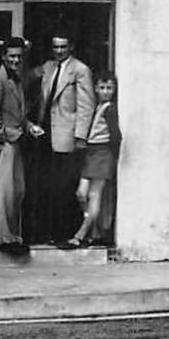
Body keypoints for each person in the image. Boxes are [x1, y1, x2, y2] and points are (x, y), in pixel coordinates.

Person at [0, 37, 43, 256]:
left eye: (19, 57)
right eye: (12, 56)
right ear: (4, 57)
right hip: (3, 143)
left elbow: (16, 114)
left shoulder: (16, 80)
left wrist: (30, 127)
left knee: (16, 189)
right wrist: (5, 136)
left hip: (14, 139)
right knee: (6, 191)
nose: (16, 60)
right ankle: (5, 240)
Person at [25, 32, 95, 244]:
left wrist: (80, 136)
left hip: (67, 136)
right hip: (46, 134)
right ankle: (45, 233)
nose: (59, 51)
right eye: (55, 47)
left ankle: (64, 234)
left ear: (71, 47)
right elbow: (26, 76)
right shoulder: (48, 67)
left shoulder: (80, 70)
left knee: (64, 186)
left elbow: (86, 105)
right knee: (46, 185)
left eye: (63, 47)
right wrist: (26, 51)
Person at [61, 70, 121, 249]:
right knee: (81, 193)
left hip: (102, 154)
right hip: (91, 153)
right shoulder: (98, 106)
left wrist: (113, 158)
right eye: (102, 88)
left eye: (109, 88)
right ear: (95, 88)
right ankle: (93, 231)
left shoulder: (110, 108)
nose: (105, 91)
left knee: (94, 196)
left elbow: (116, 136)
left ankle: (80, 235)